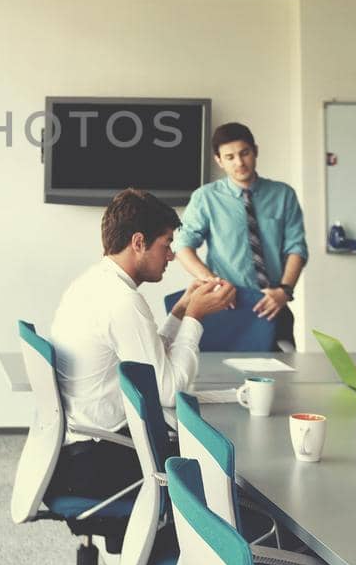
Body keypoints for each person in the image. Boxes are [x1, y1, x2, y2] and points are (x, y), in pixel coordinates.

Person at [48, 188, 236, 501]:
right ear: (138, 242)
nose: (172, 256)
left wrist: (178, 312)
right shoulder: (123, 300)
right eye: (166, 245)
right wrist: (195, 318)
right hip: (97, 458)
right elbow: (169, 390)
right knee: (219, 461)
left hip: (76, 450)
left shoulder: (93, 283)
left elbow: (144, 359)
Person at [173, 122, 307, 343]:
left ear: (255, 150)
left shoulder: (283, 195)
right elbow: (182, 245)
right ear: (219, 160)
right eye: (230, 157)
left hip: (273, 304)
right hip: (227, 307)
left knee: (283, 373)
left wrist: (284, 291)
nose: (239, 162)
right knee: (223, 375)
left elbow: (297, 248)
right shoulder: (205, 198)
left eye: (244, 153)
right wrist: (213, 282)